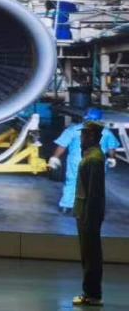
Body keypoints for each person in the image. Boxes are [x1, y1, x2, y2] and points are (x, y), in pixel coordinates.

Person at [49, 108, 119, 214]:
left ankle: (66, 206)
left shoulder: (73, 129)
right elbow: (111, 147)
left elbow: (62, 145)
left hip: (76, 161)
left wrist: (55, 157)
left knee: (72, 182)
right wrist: (112, 158)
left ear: (85, 117)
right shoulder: (106, 132)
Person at [72, 121, 106, 307]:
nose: (81, 138)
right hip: (84, 213)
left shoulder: (94, 159)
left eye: (84, 135)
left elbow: (94, 193)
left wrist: (88, 218)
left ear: (92, 136)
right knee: (88, 254)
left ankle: (92, 294)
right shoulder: (90, 155)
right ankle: (90, 293)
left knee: (91, 255)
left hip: (88, 214)